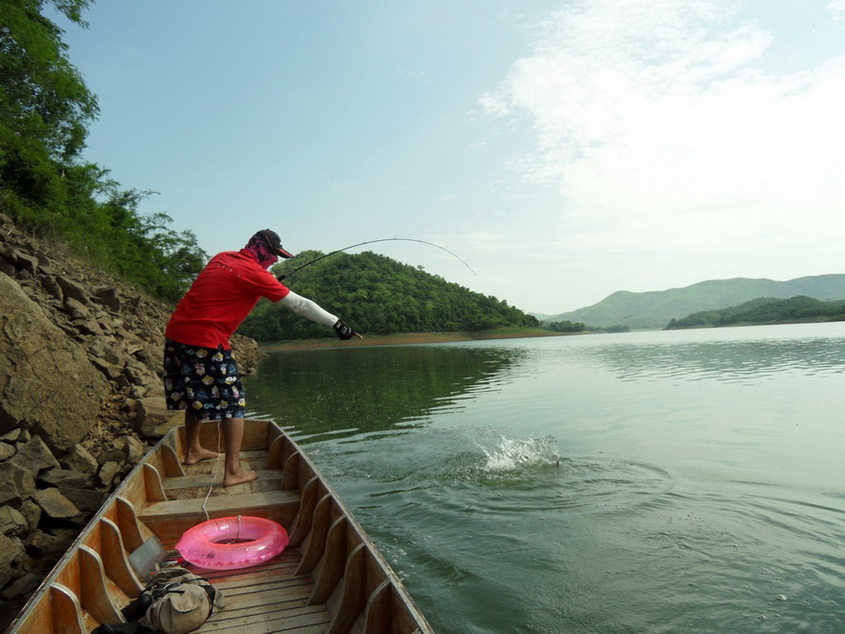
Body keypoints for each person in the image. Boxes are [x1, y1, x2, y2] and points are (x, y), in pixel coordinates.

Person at [163, 228, 361, 486]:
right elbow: (300, 304)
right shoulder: (255, 274)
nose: (276, 260)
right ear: (264, 251)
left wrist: (267, 278)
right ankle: (232, 472)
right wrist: (338, 324)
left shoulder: (222, 257)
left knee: (193, 393)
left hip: (177, 335)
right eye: (274, 255)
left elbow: (238, 281)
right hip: (206, 341)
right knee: (233, 403)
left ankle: (193, 450)